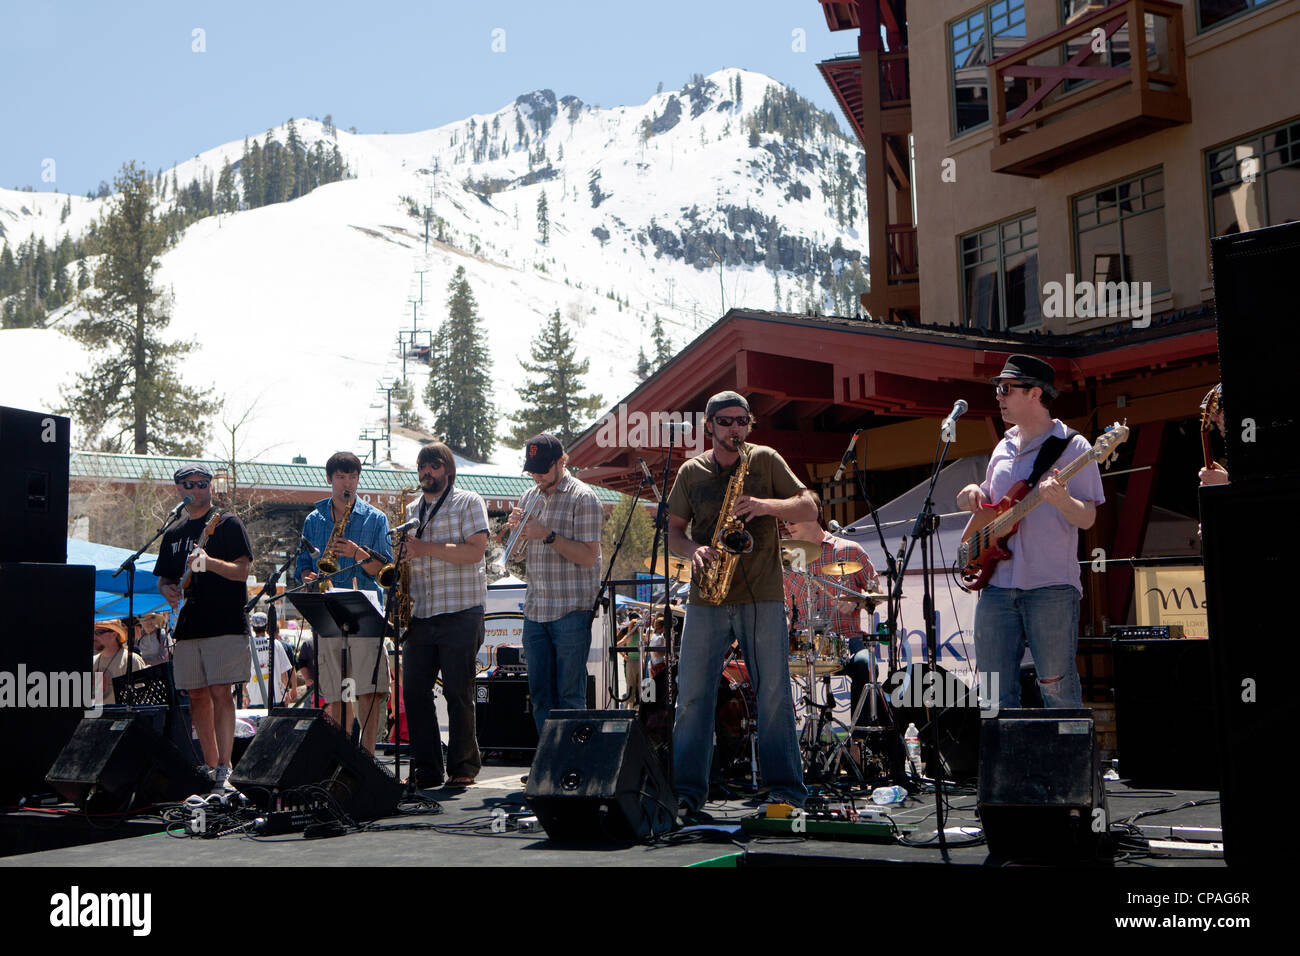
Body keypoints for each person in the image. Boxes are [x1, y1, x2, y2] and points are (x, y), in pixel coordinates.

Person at [666, 391, 818, 820]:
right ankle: (687, 793)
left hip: (761, 594)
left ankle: (786, 790)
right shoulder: (690, 472)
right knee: (692, 698)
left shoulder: (765, 459)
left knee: (773, 694)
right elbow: (674, 532)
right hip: (707, 595)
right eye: (726, 421)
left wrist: (765, 505)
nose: (735, 428)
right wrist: (692, 550)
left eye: (742, 421)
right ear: (709, 426)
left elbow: (809, 504)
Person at [957, 354, 1104, 710]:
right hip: (996, 586)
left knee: (1056, 686)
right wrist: (973, 493)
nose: (998, 396)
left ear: (1036, 393)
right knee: (993, 694)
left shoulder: (1076, 448)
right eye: (997, 388)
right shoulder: (1002, 447)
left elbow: (1087, 518)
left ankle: (1068, 765)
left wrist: (1064, 501)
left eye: (1006, 388)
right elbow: (994, 507)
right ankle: (1002, 767)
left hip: (1050, 586)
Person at [155, 463, 253, 790]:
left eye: (201, 484)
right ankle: (211, 767)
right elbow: (165, 578)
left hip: (223, 622)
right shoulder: (173, 532)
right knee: (196, 695)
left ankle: (226, 767)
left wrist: (209, 564)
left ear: (210, 487)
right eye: (188, 484)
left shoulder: (226, 524)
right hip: (187, 625)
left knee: (221, 692)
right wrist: (166, 589)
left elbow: (242, 572)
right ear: (178, 489)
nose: (195, 489)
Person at [399, 441, 489, 789]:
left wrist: (425, 549)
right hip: (421, 612)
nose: (427, 473)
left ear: (448, 470)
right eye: (422, 467)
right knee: (414, 692)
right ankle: (427, 769)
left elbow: (475, 552)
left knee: (458, 691)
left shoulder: (469, 501)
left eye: (434, 466)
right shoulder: (411, 509)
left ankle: (463, 767)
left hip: (461, 611)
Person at [504, 434, 604, 735]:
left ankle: (571, 766)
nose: (537, 476)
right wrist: (517, 531)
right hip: (536, 610)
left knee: (570, 697)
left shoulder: (583, 498)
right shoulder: (528, 496)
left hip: (571, 609)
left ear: (563, 461)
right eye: (533, 470)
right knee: (540, 696)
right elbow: (516, 556)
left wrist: (547, 534)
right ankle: (548, 762)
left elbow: (589, 557)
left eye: (543, 469)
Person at [297, 451, 393, 754]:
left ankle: (365, 757)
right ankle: (337, 755)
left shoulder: (376, 518)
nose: (347, 483)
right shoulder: (314, 519)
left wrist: (357, 554)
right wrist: (308, 574)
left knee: (369, 689)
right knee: (335, 690)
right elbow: (302, 561)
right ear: (329, 479)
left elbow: (386, 572)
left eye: (352, 476)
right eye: (340, 477)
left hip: (364, 610)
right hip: (328, 611)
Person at [781, 518, 882, 737]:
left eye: (792, 519)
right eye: (785, 522)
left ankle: (858, 743)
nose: (788, 525)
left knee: (866, 665)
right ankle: (784, 746)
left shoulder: (850, 550)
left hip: (847, 641)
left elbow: (876, 590)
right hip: (802, 644)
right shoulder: (786, 558)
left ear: (811, 514)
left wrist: (856, 600)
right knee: (766, 669)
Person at [244, 611, 295, 708]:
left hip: (254, 698)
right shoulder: (275, 643)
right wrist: (286, 691)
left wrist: (245, 694)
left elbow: (244, 673)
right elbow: (283, 671)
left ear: (252, 627)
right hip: (275, 696)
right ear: (267, 626)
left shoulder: (248, 645)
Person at [92, 619, 147, 707]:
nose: (94, 637)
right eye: (93, 632)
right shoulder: (92, 662)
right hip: (98, 718)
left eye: (99, 632)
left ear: (114, 634)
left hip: (123, 718)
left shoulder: (131, 660)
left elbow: (141, 698)